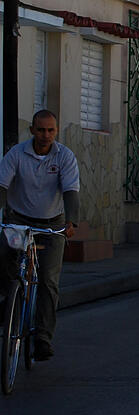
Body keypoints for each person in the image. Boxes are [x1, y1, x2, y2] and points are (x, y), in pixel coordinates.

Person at [0, 110, 79, 361]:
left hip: (51, 224)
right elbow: (2, 186)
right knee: (2, 254)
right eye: (41, 130)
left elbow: (70, 191)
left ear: (56, 131)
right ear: (32, 130)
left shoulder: (65, 156)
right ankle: (11, 298)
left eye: (51, 130)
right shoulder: (16, 154)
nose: (46, 135)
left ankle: (43, 337)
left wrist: (71, 221)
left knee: (48, 279)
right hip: (19, 219)